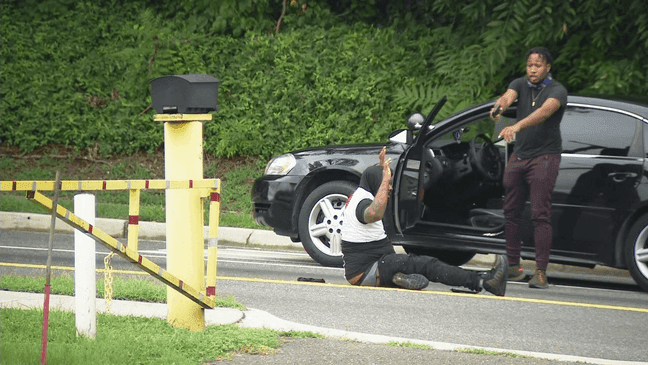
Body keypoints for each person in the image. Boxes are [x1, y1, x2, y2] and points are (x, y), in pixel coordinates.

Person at [340, 146, 508, 296]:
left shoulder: (364, 193)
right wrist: (384, 181)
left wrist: (381, 171)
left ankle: (395, 278)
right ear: (376, 183)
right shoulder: (361, 204)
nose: (391, 187)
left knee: (413, 263)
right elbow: (374, 214)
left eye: (390, 184)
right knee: (427, 265)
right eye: (388, 184)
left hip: (377, 262)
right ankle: (484, 282)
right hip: (368, 270)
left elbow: (376, 191)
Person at [490, 47, 568, 289]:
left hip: (545, 157)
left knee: (539, 214)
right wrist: (500, 107)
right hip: (520, 155)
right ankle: (514, 266)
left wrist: (516, 126)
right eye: (529, 65)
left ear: (548, 67)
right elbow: (508, 96)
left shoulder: (557, 91)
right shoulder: (520, 84)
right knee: (511, 211)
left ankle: (541, 272)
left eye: (538, 65)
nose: (533, 69)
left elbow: (543, 112)